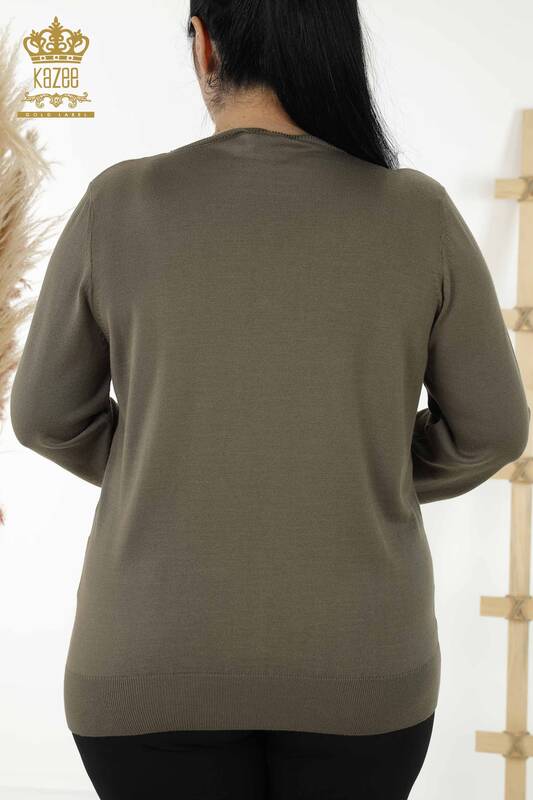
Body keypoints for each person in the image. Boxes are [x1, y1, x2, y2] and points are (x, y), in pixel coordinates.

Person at [9, 1, 530, 798]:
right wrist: (357, 470)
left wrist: (174, 465)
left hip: (145, 669)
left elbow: (45, 415)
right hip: (362, 673)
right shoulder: (415, 212)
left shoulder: (119, 203)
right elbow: (492, 429)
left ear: (203, 45)